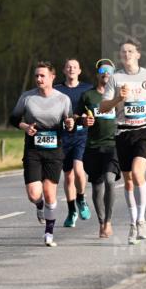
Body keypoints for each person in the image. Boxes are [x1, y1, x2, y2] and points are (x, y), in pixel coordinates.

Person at [98, 37, 146, 245]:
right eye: (123, 52)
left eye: (130, 51)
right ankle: (132, 224)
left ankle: (142, 220)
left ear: (138, 54)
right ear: (120, 56)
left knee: (138, 174)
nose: (126, 55)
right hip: (123, 132)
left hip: (144, 131)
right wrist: (118, 98)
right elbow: (103, 108)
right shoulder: (115, 79)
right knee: (128, 180)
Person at [10, 61, 75, 247]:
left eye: (42, 76)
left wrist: (70, 124)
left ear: (52, 77)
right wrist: (25, 126)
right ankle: (39, 206)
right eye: (36, 76)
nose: (38, 79)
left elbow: (68, 121)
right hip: (33, 149)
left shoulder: (63, 99)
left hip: (55, 149)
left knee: (49, 192)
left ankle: (49, 233)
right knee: (34, 194)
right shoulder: (27, 97)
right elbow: (14, 119)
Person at [79, 59, 120, 238]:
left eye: (109, 71)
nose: (106, 74)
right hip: (93, 146)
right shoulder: (88, 96)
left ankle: (109, 222)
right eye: (102, 71)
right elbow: (77, 115)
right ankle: (102, 222)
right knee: (97, 187)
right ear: (97, 75)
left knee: (110, 181)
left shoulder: (118, 95)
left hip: (114, 144)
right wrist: (83, 120)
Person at [54, 59, 93, 228]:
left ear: (79, 71)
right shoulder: (56, 89)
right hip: (63, 138)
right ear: (64, 70)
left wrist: (87, 118)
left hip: (81, 136)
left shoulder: (87, 89)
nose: (71, 69)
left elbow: (93, 110)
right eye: (68, 66)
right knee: (68, 176)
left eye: (74, 67)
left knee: (79, 170)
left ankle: (82, 199)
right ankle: (71, 212)